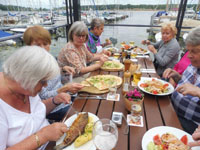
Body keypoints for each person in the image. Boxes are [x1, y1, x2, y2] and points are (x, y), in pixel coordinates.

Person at [0, 46, 70, 149]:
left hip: (54, 143)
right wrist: (43, 136)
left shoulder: (24, 88)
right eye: (43, 81)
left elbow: (36, 112)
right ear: (25, 77)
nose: (45, 85)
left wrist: (54, 101)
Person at [23, 25, 84, 121]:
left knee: (87, 98)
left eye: (45, 43)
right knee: (82, 115)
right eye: (37, 45)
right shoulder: (32, 68)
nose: (43, 48)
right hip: (53, 107)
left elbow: (54, 76)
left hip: (65, 97)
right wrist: (65, 88)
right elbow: (42, 96)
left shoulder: (48, 58)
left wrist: (63, 69)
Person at [163, 27, 200, 134]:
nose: (189, 55)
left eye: (194, 51)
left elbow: (194, 89)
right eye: (189, 50)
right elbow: (186, 83)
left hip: (190, 124)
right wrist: (176, 76)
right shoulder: (194, 64)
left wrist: (198, 91)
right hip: (172, 107)